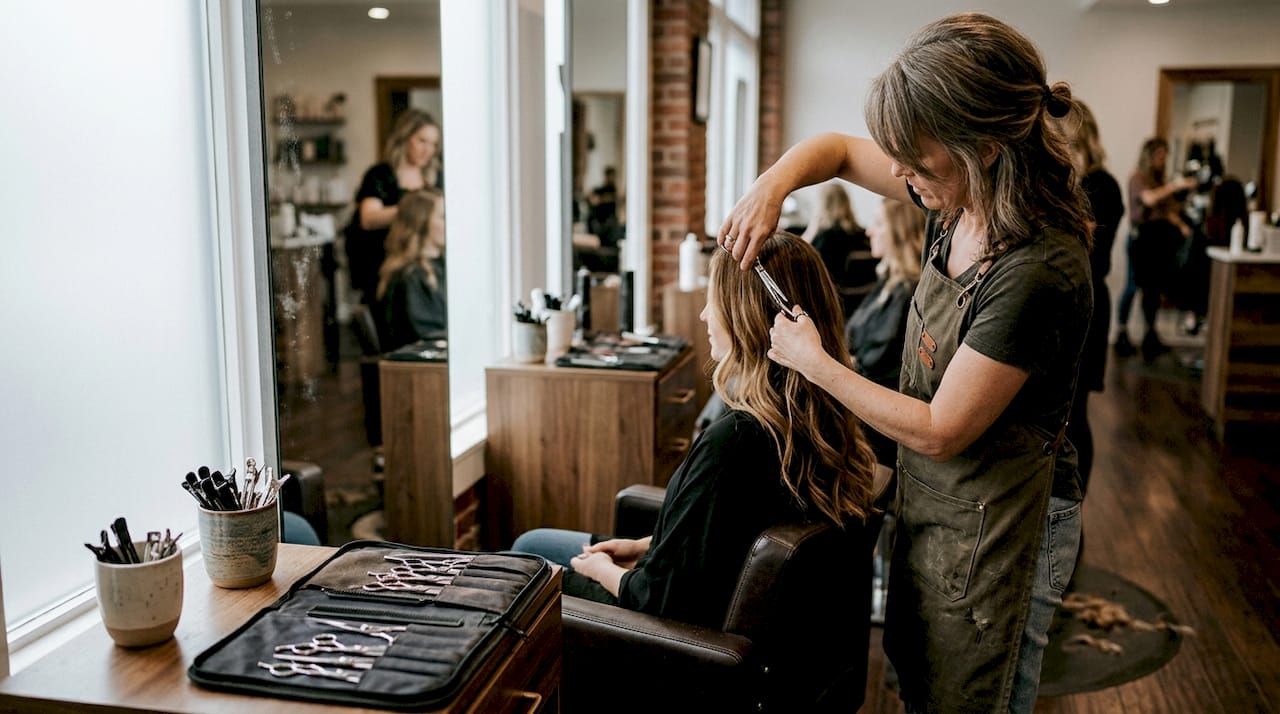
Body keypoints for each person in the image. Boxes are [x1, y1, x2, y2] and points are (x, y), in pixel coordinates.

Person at [717, 13, 1093, 713]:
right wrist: (773, 187)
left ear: (982, 146)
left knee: (977, 696)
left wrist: (817, 363)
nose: (896, 174)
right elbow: (830, 150)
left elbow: (939, 429)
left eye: (915, 160)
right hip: (942, 501)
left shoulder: (1039, 268)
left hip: (1006, 518)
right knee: (925, 679)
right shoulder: (954, 201)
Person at [512, 231, 877, 630]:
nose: (704, 315)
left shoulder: (736, 440)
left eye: (713, 300)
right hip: (704, 592)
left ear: (745, 315)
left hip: (668, 636)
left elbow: (658, 597)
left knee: (523, 559)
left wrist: (601, 570)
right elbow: (730, 533)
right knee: (537, 544)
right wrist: (643, 546)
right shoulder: (819, 416)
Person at [1059, 101, 1123, 497]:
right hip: (1071, 303)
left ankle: (1072, 504)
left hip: (1088, 304)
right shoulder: (1073, 185)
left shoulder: (1102, 186)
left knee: (1075, 412)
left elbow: (1090, 252)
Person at [844, 196, 924, 468]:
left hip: (880, 421)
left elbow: (889, 368)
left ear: (899, 231)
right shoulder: (888, 283)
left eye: (878, 223)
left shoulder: (911, 294)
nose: (869, 231)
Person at [344, 109, 442, 314]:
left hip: (422, 265)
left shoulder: (435, 178)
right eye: (422, 141)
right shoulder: (380, 175)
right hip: (384, 264)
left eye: (433, 144)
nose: (428, 150)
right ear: (405, 138)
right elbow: (368, 219)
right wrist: (414, 209)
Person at [1112, 137, 1197, 361]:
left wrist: (1181, 225)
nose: (1163, 161)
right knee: (1132, 287)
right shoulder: (1138, 179)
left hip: (1155, 243)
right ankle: (1121, 332)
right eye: (1160, 156)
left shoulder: (1160, 181)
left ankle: (1151, 334)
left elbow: (1166, 211)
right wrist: (1174, 186)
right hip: (1139, 240)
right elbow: (1149, 200)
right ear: (1150, 156)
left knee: (1152, 290)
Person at [375, 190, 447, 350]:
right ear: (422, 222)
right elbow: (426, 335)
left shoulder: (442, 266)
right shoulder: (411, 276)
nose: (451, 223)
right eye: (443, 217)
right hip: (422, 368)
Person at [803, 182, 875, 311]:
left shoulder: (825, 239)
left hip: (836, 309)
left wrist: (811, 229)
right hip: (864, 307)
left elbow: (800, 263)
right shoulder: (865, 235)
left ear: (822, 206)